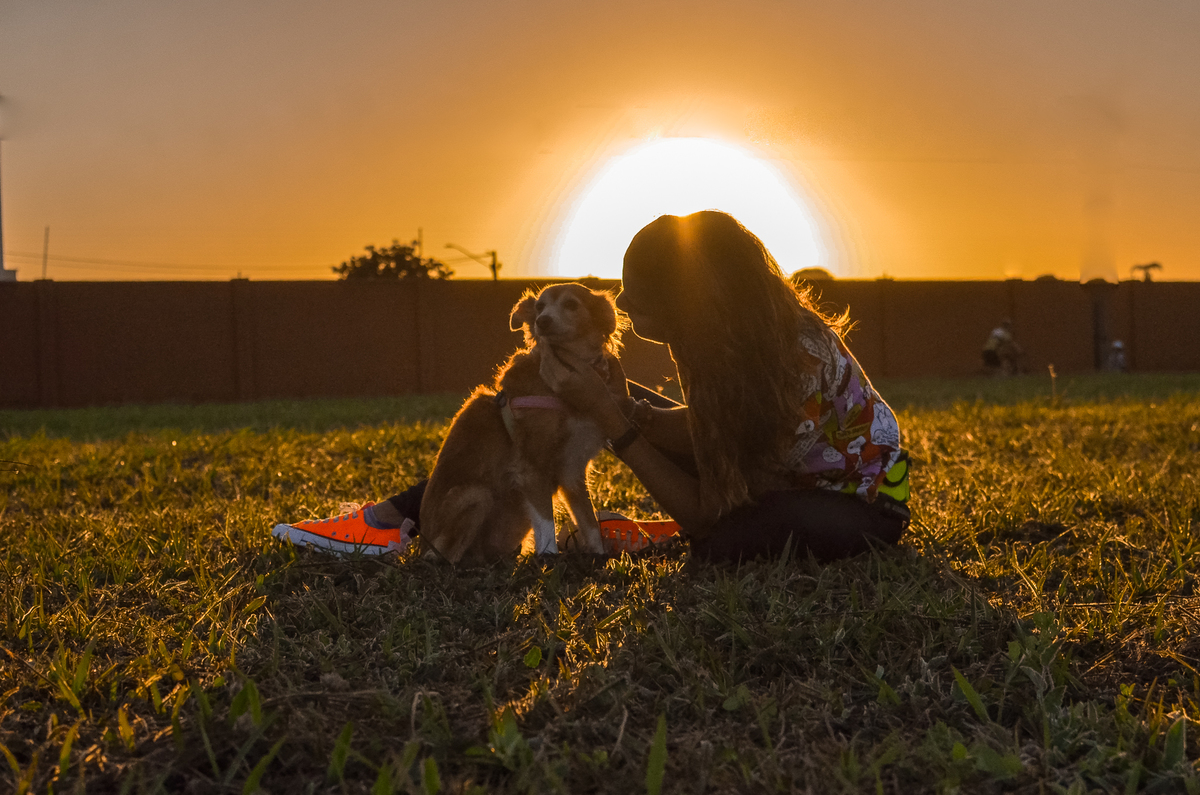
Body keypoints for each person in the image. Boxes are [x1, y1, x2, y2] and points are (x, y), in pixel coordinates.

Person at [275, 211, 910, 564]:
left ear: (689, 301)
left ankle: (638, 532)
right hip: (773, 467)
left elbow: (707, 510)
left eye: (640, 292)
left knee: (723, 543)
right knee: (564, 407)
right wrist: (626, 408)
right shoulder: (721, 337)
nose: (623, 303)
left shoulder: (792, 359)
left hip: (854, 502)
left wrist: (613, 419)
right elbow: (710, 429)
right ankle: (401, 515)